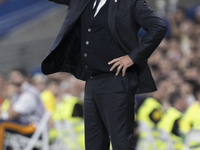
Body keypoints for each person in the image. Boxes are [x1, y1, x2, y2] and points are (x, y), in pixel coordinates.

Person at [41, 0, 167, 149]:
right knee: (94, 144)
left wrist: (133, 57)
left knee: (121, 144)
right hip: (92, 81)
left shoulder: (130, 2)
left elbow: (158, 26)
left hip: (116, 80)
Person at [0, 68, 45, 150]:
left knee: (1, 124)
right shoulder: (18, 93)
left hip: (33, 127)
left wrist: (10, 96)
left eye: (16, 76)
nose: (13, 79)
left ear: (24, 78)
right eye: (12, 77)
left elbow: (12, 115)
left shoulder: (28, 94)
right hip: (25, 124)